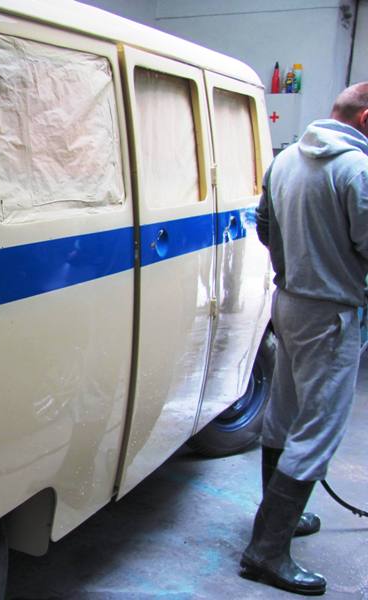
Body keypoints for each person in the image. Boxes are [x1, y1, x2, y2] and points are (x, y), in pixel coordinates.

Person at [244, 82, 368, 595]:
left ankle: (279, 521)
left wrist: (297, 263)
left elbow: (264, 227)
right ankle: (267, 551)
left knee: (284, 413)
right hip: (331, 314)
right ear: (365, 119)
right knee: (317, 430)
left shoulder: (287, 159)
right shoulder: (357, 170)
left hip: (289, 302)